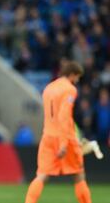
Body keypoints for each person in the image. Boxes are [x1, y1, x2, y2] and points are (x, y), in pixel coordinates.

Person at [24, 61, 91, 203]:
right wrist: (63, 144)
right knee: (79, 174)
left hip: (47, 136)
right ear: (72, 74)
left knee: (41, 175)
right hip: (64, 137)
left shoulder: (48, 88)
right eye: (77, 77)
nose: (77, 81)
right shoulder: (70, 89)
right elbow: (64, 116)